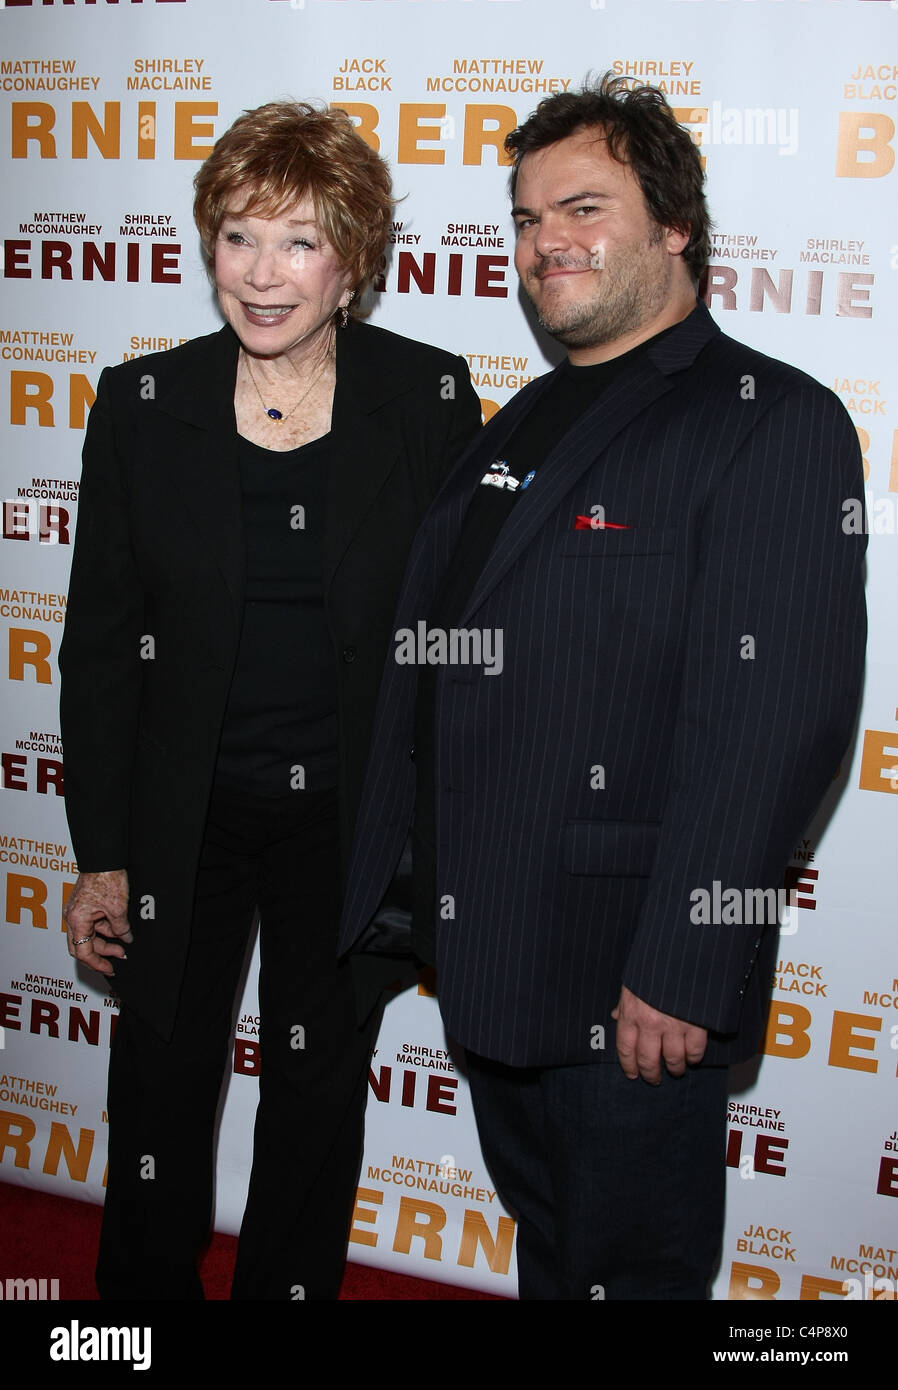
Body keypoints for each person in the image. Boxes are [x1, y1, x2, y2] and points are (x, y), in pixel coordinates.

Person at [338, 75, 867, 1299]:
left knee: (632, 1271)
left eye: (582, 207)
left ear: (673, 224)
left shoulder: (771, 419)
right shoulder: (523, 413)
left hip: (632, 971)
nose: (545, 243)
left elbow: (777, 722)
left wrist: (684, 960)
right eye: (524, 220)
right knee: (558, 1252)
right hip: (501, 951)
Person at [58, 99, 481, 1301]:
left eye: (300, 241)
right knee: (158, 1078)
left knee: (316, 1087)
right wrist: (103, 854)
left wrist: (437, 842)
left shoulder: (428, 398)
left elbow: (453, 640)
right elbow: (98, 652)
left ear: (353, 260)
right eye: (239, 235)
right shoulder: (142, 407)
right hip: (184, 815)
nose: (262, 274)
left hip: (347, 820)